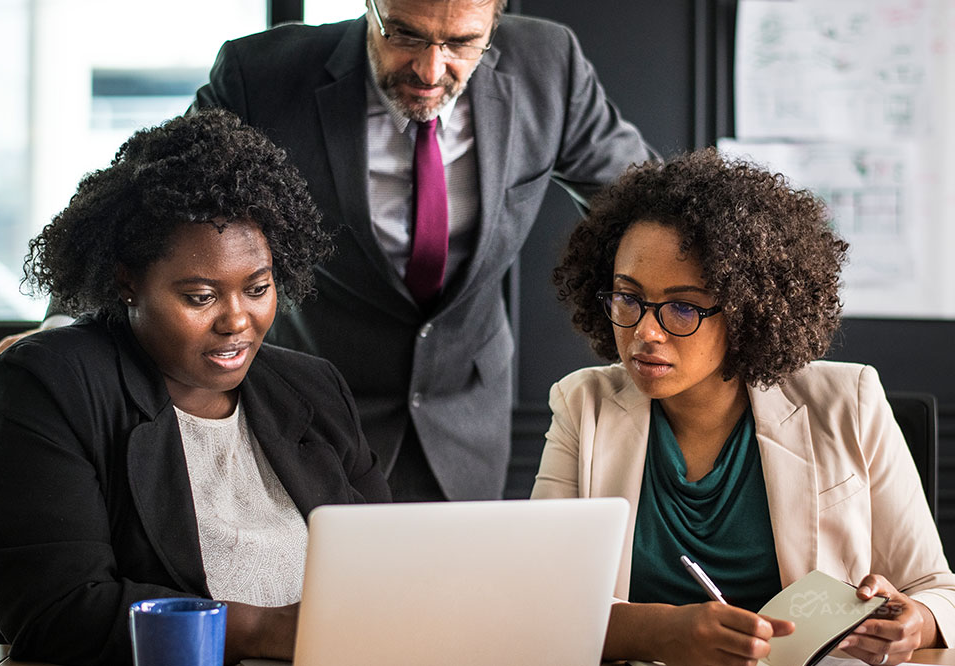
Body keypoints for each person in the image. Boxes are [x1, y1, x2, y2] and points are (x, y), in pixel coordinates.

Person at [0, 110, 390, 666]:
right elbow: (55, 608)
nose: (237, 320)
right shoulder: (52, 383)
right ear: (128, 283)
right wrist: (264, 629)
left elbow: (388, 569)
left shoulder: (312, 387)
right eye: (200, 297)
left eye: (258, 288)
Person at [188, 0, 653, 501]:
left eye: (460, 43)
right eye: (405, 36)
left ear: (495, 18)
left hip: (466, 407)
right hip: (311, 403)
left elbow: (646, 206)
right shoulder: (260, 75)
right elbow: (170, 211)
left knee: (459, 577)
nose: (431, 70)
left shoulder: (549, 64)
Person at [531, 148, 955, 666]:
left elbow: (938, 590)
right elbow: (542, 603)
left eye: (683, 307)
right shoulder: (582, 406)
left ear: (746, 309)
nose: (645, 330)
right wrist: (656, 633)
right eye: (627, 298)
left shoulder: (850, 401)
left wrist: (918, 622)